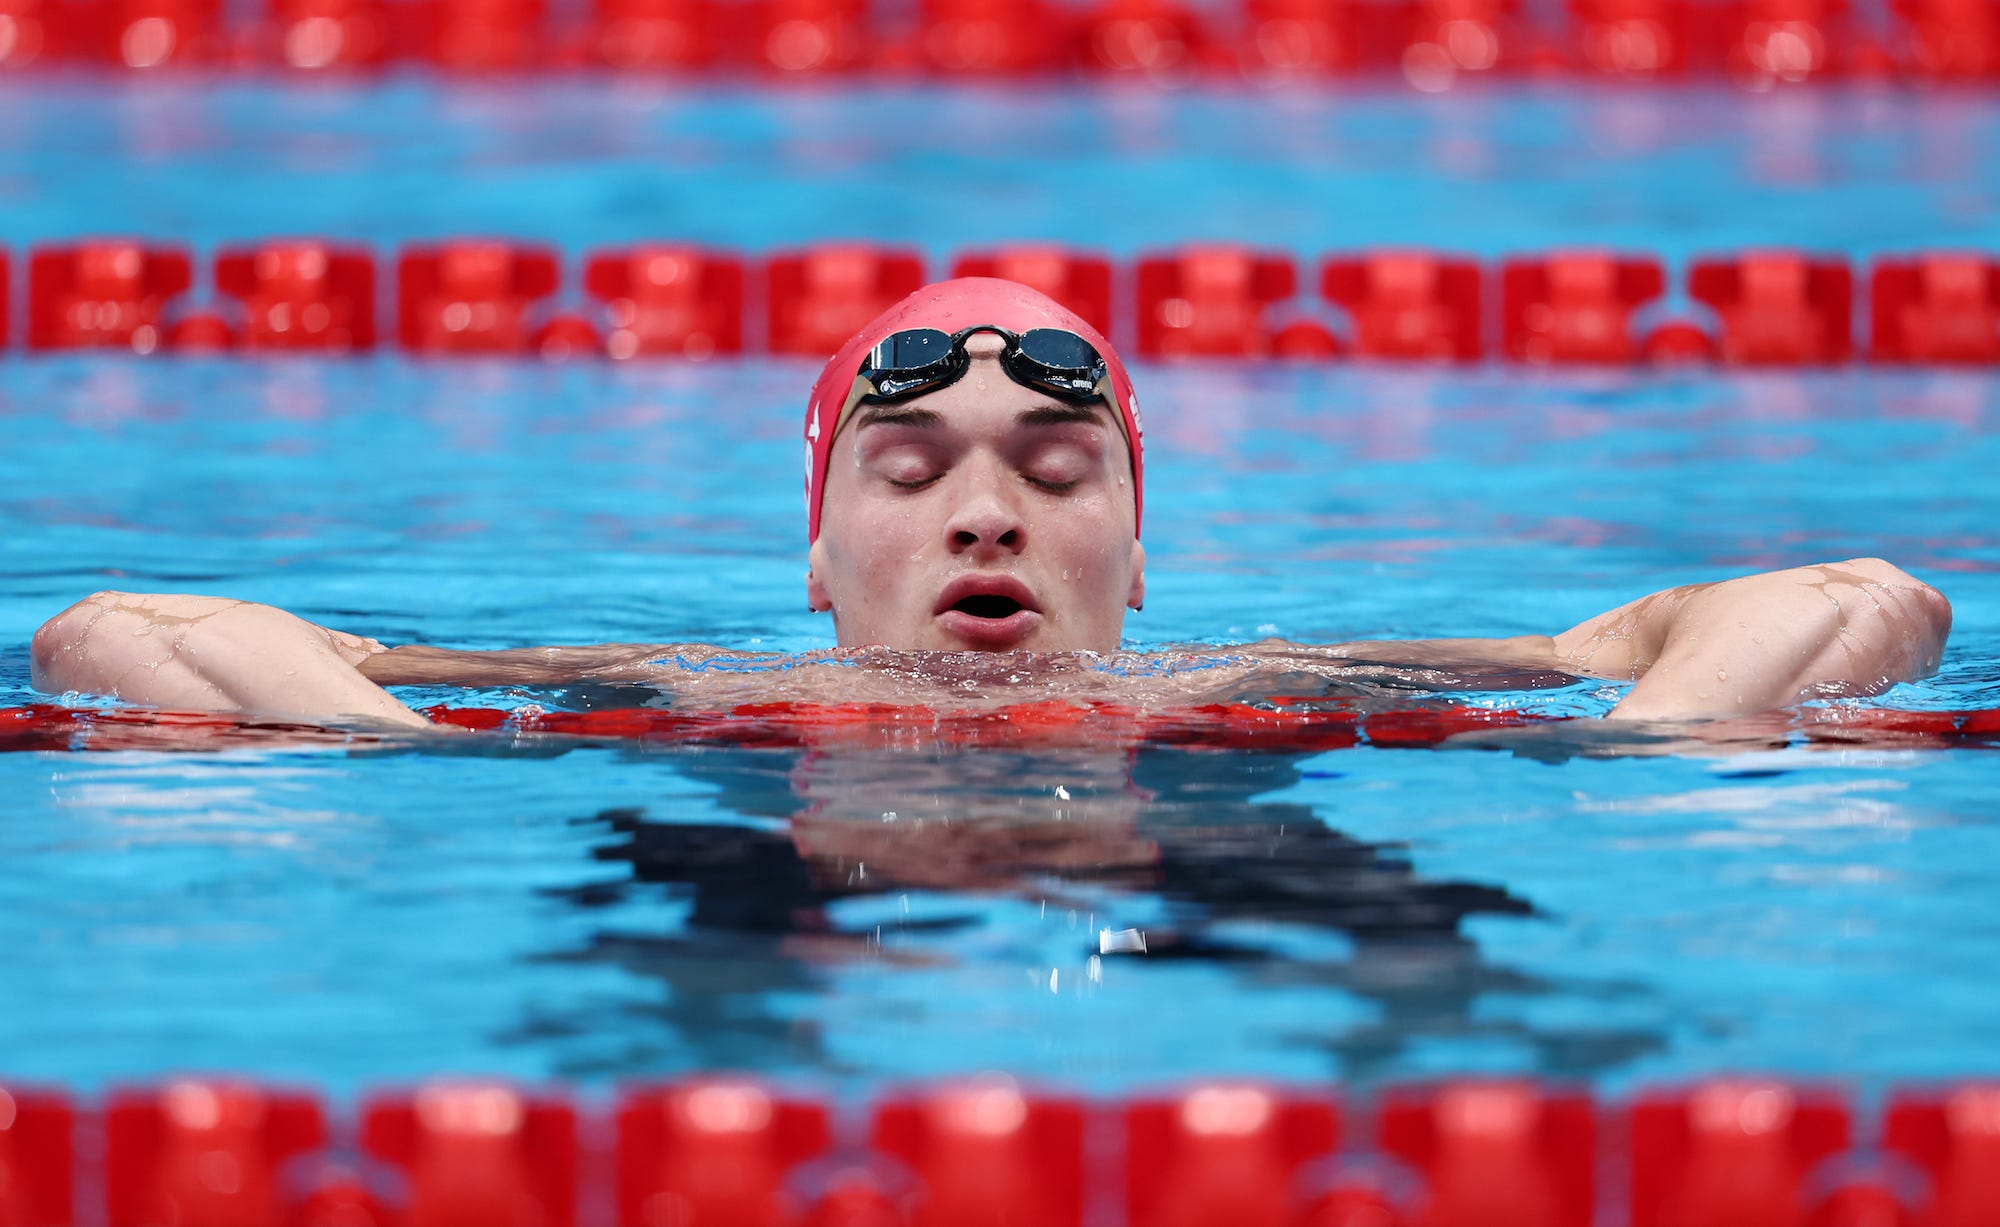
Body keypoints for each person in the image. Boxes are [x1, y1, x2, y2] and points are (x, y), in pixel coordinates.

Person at [28, 278, 1953, 731]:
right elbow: (111, 631)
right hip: (759, 877)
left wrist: (1656, 738)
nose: (982, 517)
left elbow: (1869, 594)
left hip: (1225, 864)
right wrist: (390, 750)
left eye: (1052, 471)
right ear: (816, 546)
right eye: (910, 468)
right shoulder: (673, 686)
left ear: (1139, 541)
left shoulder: (1271, 680)